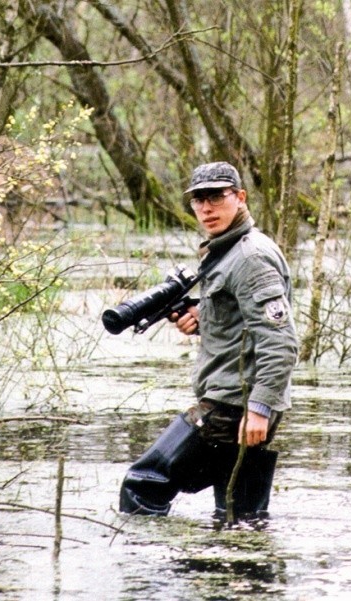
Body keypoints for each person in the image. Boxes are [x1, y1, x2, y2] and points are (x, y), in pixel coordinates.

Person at [119, 161, 298, 520]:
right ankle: (238, 571)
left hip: (232, 406)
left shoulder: (250, 257)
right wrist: (206, 319)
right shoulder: (227, 252)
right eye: (198, 200)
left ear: (240, 197)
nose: (206, 208)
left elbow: (281, 342)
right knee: (239, 514)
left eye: (217, 196)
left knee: (142, 486)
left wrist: (259, 408)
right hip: (237, 403)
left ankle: (140, 572)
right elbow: (244, 323)